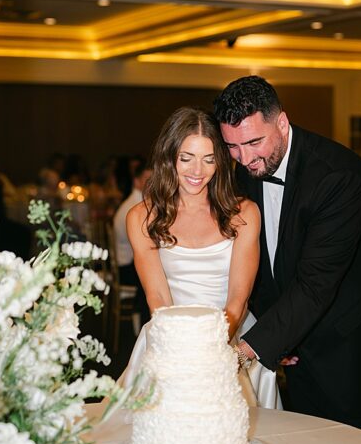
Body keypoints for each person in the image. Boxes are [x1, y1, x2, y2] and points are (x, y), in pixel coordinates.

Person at [214, 76, 361, 434]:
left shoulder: (338, 176)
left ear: (282, 122)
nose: (244, 158)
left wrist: (245, 350)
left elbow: (317, 282)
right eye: (232, 146)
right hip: (300, 340)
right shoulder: (248, 169)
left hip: (358, 343)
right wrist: (278, 338)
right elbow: (263, 262)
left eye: (253, 142)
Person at [121, 107, 281, 410]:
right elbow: (157, 297)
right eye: (187, 158)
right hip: (170, 334)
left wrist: (211, 350)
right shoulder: (142, 217)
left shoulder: (243, 214)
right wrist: (182, 348)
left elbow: (238, 299)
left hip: (230, 336)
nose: (198, 171)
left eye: (208, 159)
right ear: (169, 157)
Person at [112, 160, 154, 324]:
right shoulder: (136, 208)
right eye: (148, 180)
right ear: (137, 182)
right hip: (125, 269)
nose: (153, 184)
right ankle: (145, 319)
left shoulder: (137, 202)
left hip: (126, 263)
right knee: (153, 274)